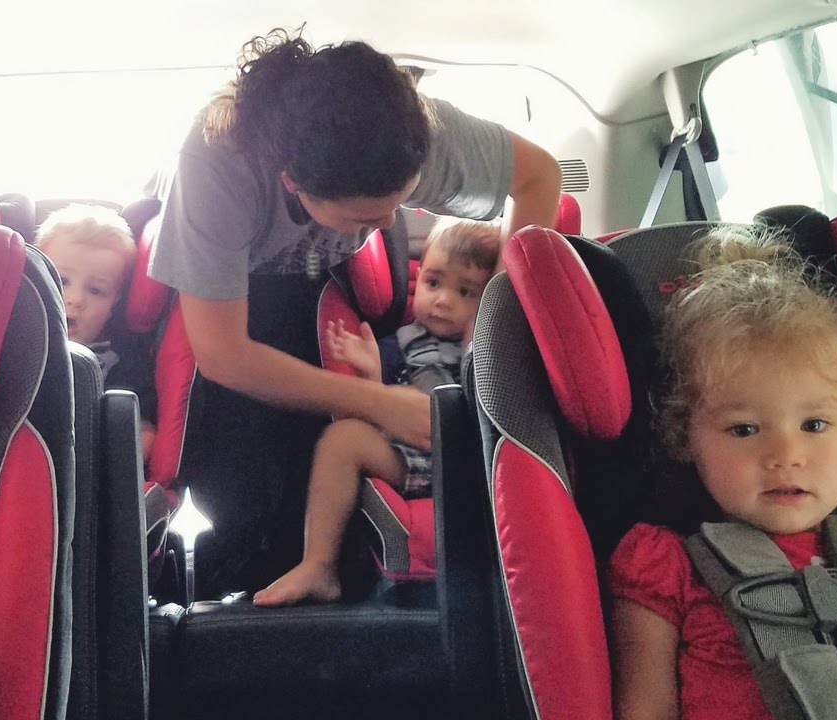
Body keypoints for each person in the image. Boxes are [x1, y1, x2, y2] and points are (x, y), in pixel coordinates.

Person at [149, 29, 561, 595]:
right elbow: (223, 352)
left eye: (401, 203)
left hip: (328, 278)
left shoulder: (420, 132)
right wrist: (379, 402)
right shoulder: (220, 157)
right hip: (242, 284)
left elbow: (540, 176)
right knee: (241, 490)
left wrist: (493, 325)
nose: (390, 224)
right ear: (293, 182)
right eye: (365, 217)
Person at [607, 228, 837, 720]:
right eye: (745, 428)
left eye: (814, 424)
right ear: (687, 436)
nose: (785, 454)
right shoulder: (664, 564)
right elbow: (644, 708)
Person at [254, 219, 500, 606]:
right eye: (434, 283)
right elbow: (377, 405)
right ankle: (319, 564)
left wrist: (480, 335)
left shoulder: (486, 346)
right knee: (341, 440)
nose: (443, 300)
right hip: (416, 459)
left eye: (466, 292)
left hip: (478, 463)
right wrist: (369, 369)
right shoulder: (400, 342)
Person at [35, 203, 156, 458]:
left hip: (87, 468)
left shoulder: (120, 361)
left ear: (114, 304)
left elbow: (144, 431)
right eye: (62, 280)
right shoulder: (18, 341)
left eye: (96, 290)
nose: (75, 299)